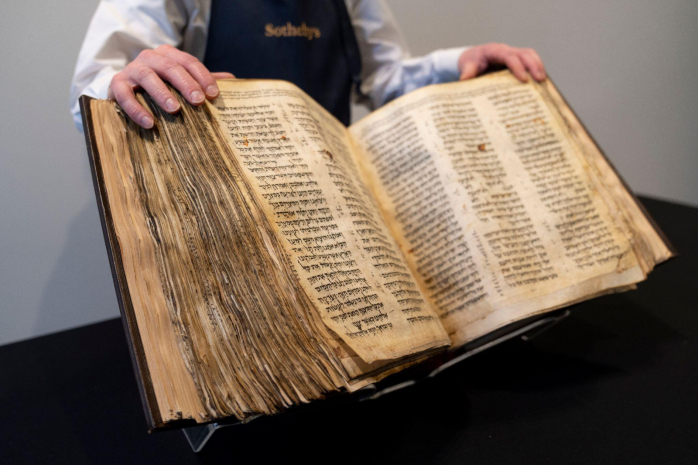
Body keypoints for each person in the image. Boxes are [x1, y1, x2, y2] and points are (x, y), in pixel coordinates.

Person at [70, 0, 546, 131]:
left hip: (334, 200)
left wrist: (459, 63)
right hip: (223, 207)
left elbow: (383, 79)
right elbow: (91, 89)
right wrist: (124, 81)